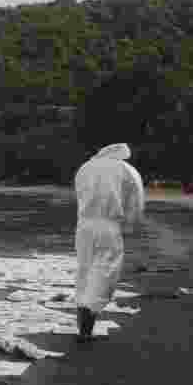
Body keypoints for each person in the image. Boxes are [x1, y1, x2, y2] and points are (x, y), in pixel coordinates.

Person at [73, 143, 145, 343]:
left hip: (84, 225)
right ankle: (87, 326)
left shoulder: (85, 168)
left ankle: (82, 322)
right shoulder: (125, 170)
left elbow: (79, 195)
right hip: (109, 225)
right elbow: (136, 201)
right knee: (104, 272)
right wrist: (130, 224)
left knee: (85, 270)